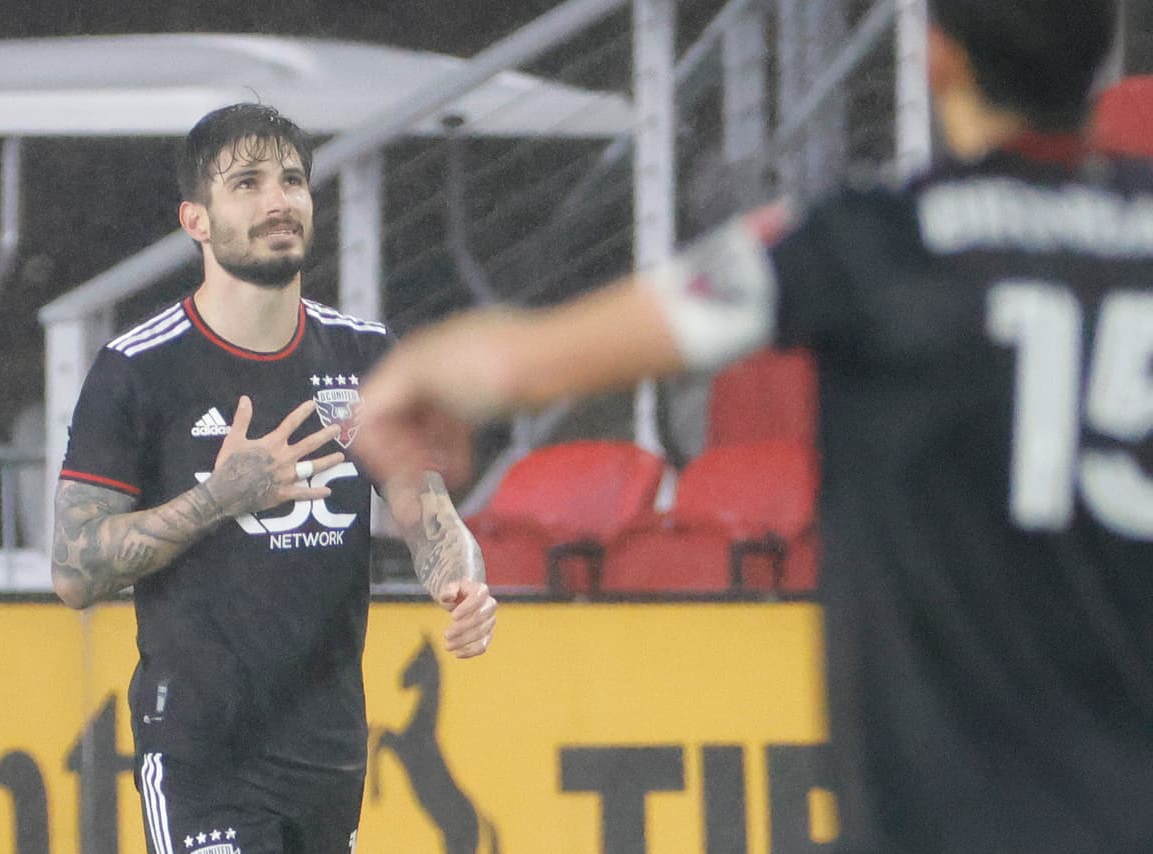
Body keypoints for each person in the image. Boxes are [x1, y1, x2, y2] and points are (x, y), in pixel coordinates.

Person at [360, 2, 1153, 851]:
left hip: (943, 814)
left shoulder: (867, 238)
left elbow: (525, 366)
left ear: (936, 58)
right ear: (1104, 58)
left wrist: (412, 372)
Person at [50, 103, 497, 854]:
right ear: (196, 219)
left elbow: (427, 513)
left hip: (327, 750)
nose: (279, 200)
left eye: (292, 180)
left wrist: (462, 581)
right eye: (248, 183)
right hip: (202, 750)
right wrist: (217, 499)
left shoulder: (364, 356)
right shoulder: (140, 368)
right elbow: (73, 569)